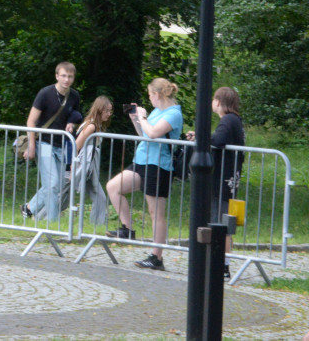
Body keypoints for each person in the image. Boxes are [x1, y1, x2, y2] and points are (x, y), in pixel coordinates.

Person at [105, 77, 183, 271]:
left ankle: (156, 257)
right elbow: (145, 134)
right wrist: (135, 119)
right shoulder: (157, 111)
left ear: (157, 95)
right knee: (113, 187)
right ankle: (127, 229)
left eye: (150, 96)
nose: (150, 100)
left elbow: (155, 133)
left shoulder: (174, 114)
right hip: (141, 161)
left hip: (158, 165)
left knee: (156, 212)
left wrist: (143, 117)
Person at [186, 86, 245, 269]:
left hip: (223, 180)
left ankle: (223, 266)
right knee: (223, 222)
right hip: (228, 179)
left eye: (213, 99)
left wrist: (202, 140)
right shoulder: (233, 120)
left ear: (218, 102)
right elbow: (220, 138)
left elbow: (219, 141)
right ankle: (222, 263)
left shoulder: (227, 120)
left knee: (220, 224)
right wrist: (202, 137)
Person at [22, 62, 83, 222]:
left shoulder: (74, 96)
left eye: (70, 76)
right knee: (53, 183)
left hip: (62, 144)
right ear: (57, 76)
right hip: (44, 142)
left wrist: (72, 123)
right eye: (63, 75)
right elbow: (31, 121)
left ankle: (29, 208)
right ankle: (53, 223)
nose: (66, 79)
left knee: (56, 184)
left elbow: (75, 115)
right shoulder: (45, 93)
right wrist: (32, 145)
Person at [69, 95, 113, 225]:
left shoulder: (94, 125)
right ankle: (39, 214)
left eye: (110, 111)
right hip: (80, 167)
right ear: (99, 110)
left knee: (100, 198)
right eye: (106, 111)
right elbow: (77, 144)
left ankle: (96, 226)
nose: (109, 114)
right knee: (62, 195)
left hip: (87, 169)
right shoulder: (92, 126)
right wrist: (73, 165)